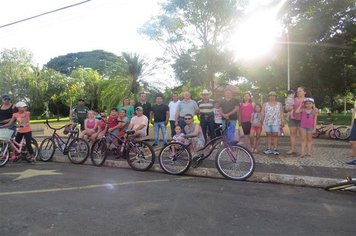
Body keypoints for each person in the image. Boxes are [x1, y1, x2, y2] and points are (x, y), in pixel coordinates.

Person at [285, 87, 308, 155]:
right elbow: (286, 109)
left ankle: (303, 151)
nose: (298, 92)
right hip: (293, 119)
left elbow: (312, 108)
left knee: (303, 136)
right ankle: (292, 149)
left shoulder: (307, 100)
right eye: (297, 91)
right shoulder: (292, 99)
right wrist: (288, 108)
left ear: (304, 92)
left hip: (303, 120)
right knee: (292, 135)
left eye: (300, 91)